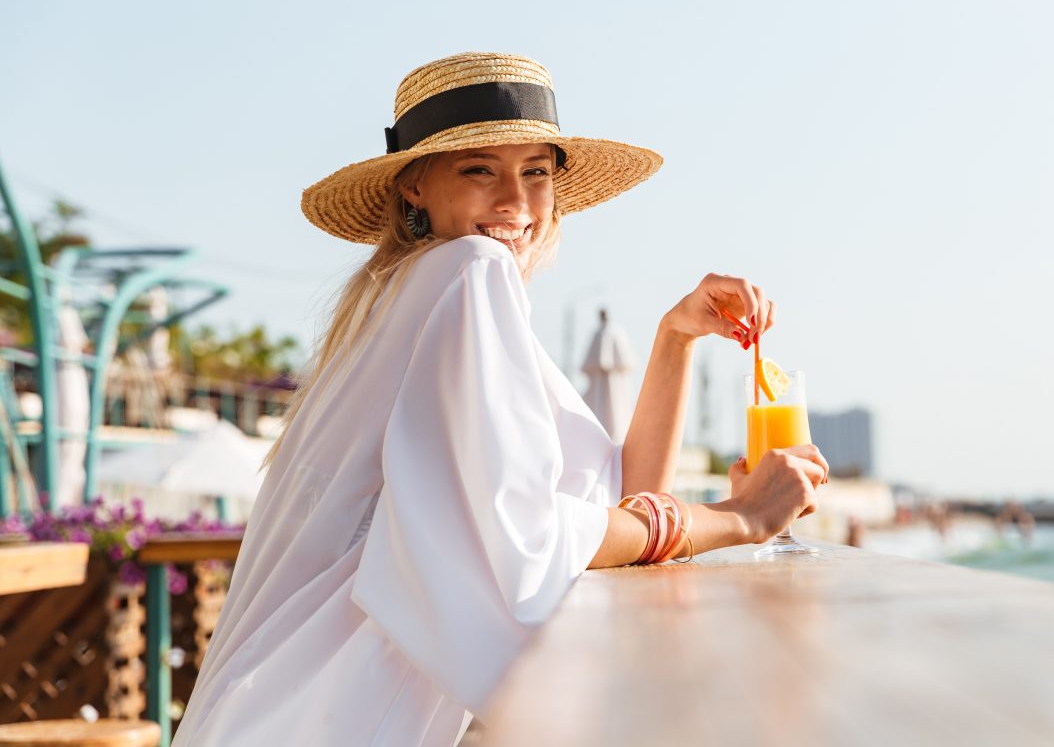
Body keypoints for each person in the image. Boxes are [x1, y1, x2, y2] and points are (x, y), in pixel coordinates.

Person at [171, 52, 829, 747]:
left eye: (536, 172)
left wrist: (675, 339)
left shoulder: (402, 296)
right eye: (479, 168)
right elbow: (528, 542)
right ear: (415, 184)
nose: (516, 201)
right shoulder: (471, 274)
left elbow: (624, 496)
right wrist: (738, 518)